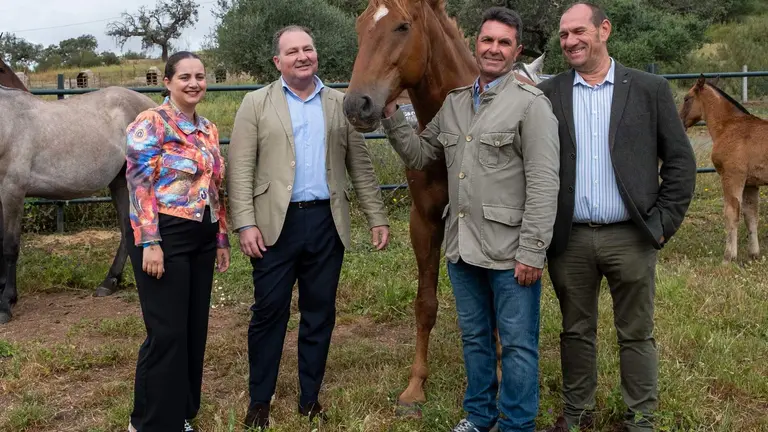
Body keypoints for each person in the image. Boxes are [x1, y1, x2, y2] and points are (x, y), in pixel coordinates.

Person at [380, 7, 560, 432]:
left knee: (517, 344)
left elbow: (544, 182)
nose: (494, 49)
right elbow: (421, 155)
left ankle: (516, 424)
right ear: (475, 44)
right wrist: (391, 116)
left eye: (504, 43)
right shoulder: (456, 104)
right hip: (463, 248)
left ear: (517, 51)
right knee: (475, 338)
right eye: (487, 40)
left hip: (510, 251)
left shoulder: (531, 105)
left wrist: (533, 251)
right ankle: (479, 416)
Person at [536, 3, 696, 431]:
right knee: (575, 331)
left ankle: (641, 419)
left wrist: (661, 225)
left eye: (579, 31)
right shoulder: (549, 93)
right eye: (564, 34)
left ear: (604, 30)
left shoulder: (649, 89)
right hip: (570, 239)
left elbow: (681, 162)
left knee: (636, 332)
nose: (570, 41)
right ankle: (577, 416)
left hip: (632, 236)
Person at [226, 25, 391, 430]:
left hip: (325, 222)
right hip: (273, 225)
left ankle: (310, 398)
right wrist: (245, 223)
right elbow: (240, 169)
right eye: (293, 51)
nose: (302, 56)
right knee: (269, 313)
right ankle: (259, 401)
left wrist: (377, 216)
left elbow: (360, 166)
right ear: (277, 61)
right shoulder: (256, 103)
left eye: (308, 49)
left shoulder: (339, 103)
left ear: (316, 54)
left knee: (319, 313)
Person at [124, 51, 231, 432]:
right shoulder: (150, 122)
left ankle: (180, 413)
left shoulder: (208, 129)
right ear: (167, 82)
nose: (194, 83)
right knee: (166, 332)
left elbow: (214, 187)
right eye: (185, 77)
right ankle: (148, 422)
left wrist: (221, 237)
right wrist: (150, 241)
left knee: (192, 329)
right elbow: (138, 184)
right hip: (164, 235)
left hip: (202, 233)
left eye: (199, 76)